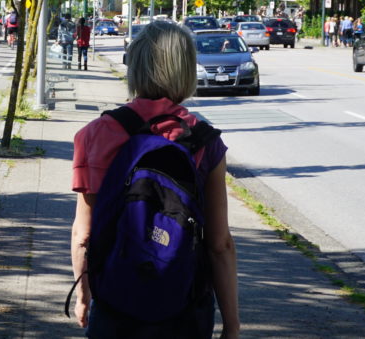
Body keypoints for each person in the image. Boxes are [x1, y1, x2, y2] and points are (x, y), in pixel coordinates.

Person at [70, 20, 239, 338]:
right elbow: (220, 244)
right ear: (186, 69)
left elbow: (83, 234)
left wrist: (84, 296)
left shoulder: (94, 135)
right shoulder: (204, 140)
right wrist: (232, 324)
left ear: (135, 66)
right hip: (185, 303)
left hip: (116, 300)